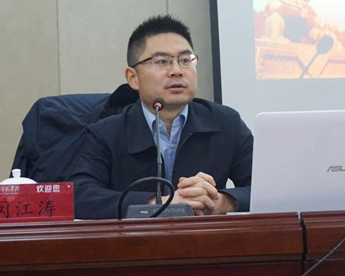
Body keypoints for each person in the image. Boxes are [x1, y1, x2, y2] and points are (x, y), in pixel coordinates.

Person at [68, 15, 253, 219]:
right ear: (133, 78)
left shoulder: (226, 123)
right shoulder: (106, 133)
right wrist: (157, 204)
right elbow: (79, 196)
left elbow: (267, 188)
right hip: (134, 239)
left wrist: (223, 202)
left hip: (203, 237)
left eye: (185, 60)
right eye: (162, 61)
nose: (176, 71)